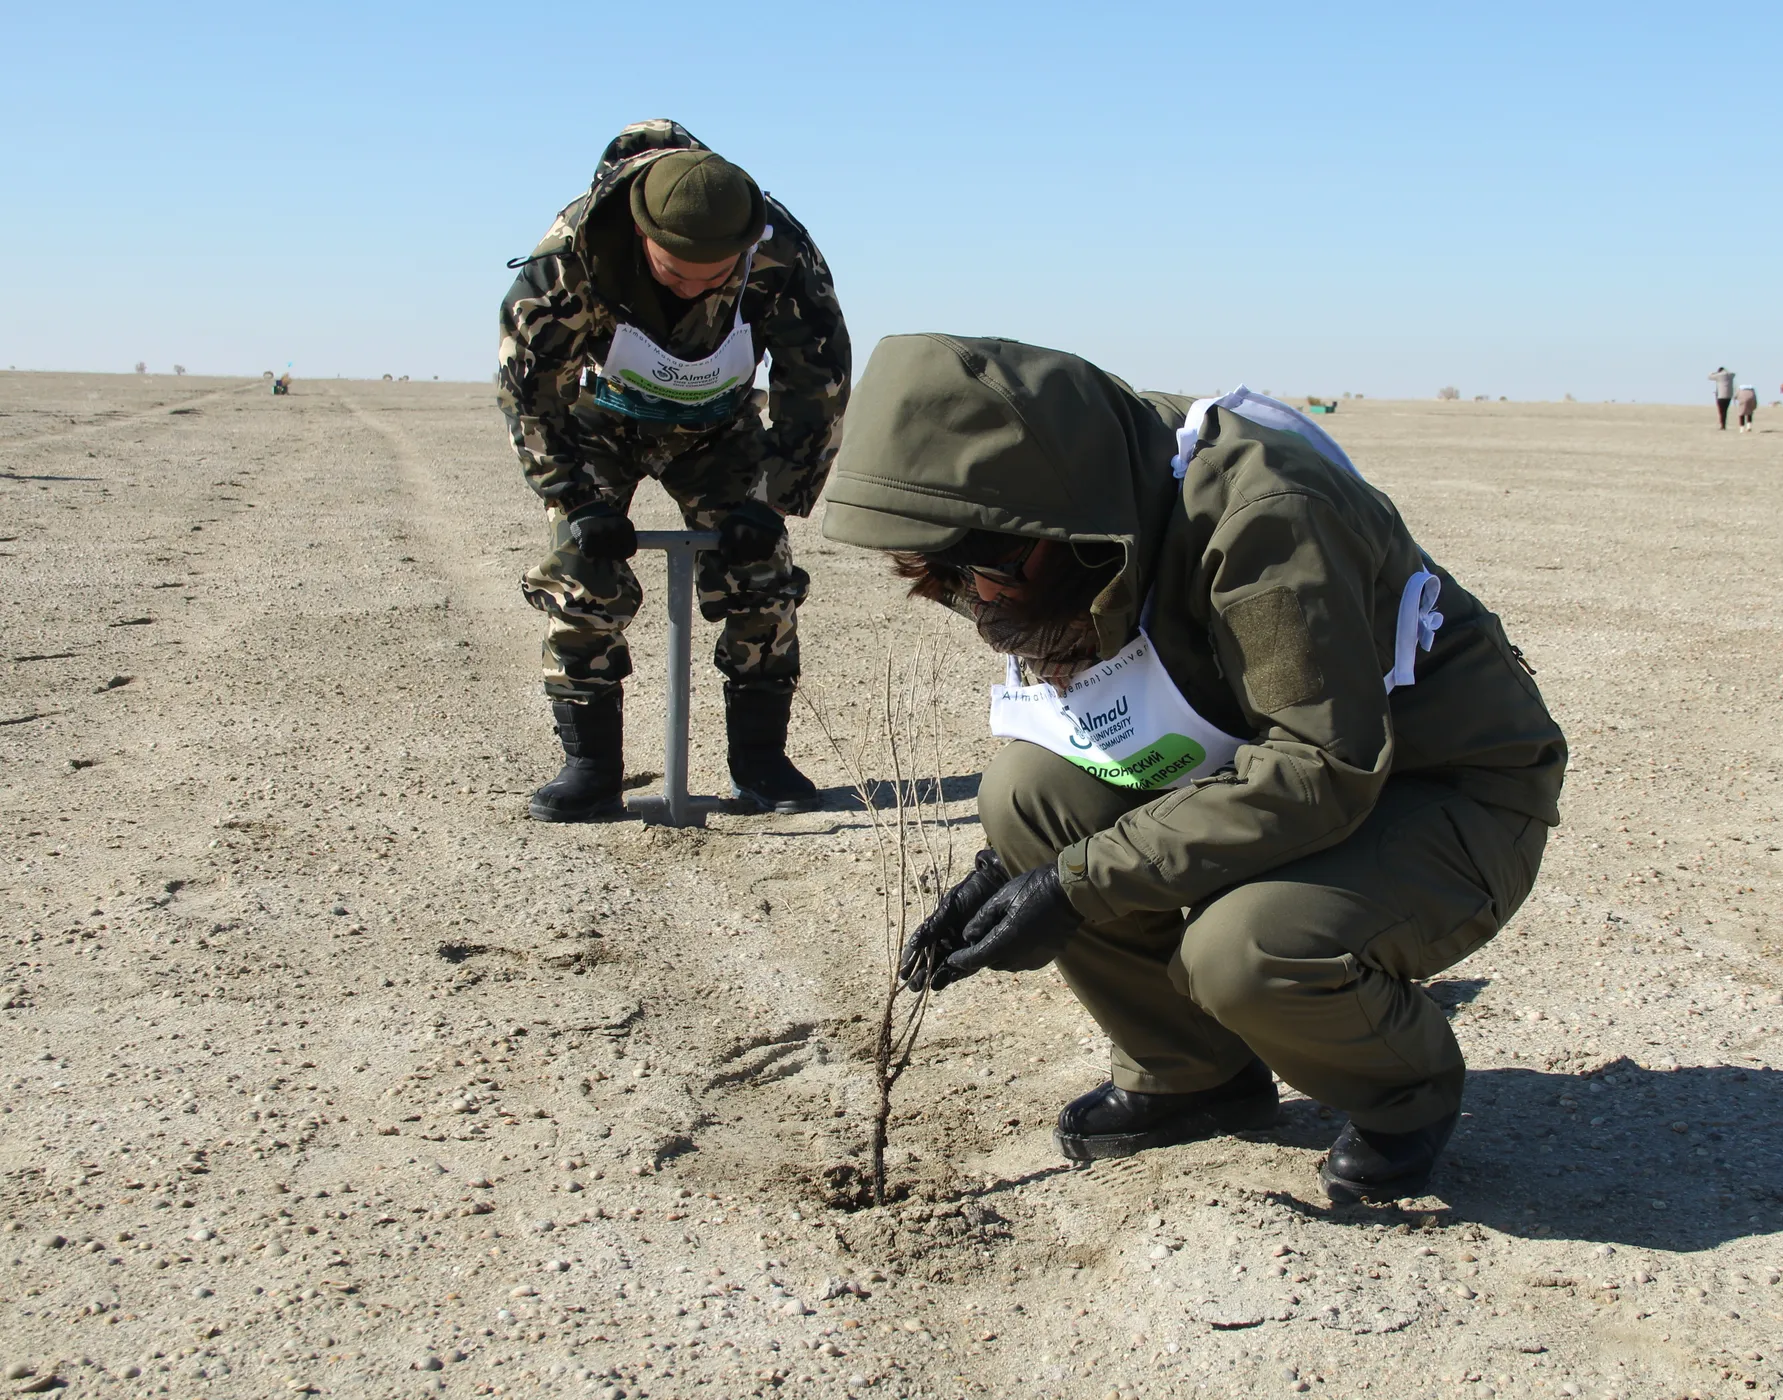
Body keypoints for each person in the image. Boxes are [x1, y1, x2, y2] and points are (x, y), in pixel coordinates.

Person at [822, 336, 1567, 1202]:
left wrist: (1074, 885)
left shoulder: (1264, 518)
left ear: (1056, 516)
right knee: (1026, 801)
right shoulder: (1094, 493)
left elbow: (1321, 767)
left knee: (1244, 948)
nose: (981, 596)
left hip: (1439, 785)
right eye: (952, 574)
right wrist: (1011, 870)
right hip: (1254, 755)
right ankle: (1192, 1075)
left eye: (990, 566)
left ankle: (1404, 1091)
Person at [498, 120, 851, 820]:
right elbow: (529, 391)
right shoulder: (570, 258)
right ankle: (591, 768)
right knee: (582, 576)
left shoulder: (783, 253)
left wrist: (770, 499)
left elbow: (818, 383)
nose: (694, 289)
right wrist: (577, 499)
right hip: (599, 424)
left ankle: (762, 762)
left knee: (761, 578)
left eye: (714, 276)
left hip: (719, 430)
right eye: (675, 272)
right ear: (641, 234)